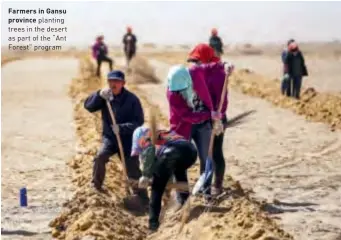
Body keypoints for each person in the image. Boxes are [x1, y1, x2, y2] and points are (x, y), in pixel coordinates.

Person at [84, 70, 148, 204]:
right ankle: (96, 187)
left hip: (128, 140)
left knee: (133, 169)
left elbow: (139, 121)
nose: (113, 84)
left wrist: (122, 127)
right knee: (100, 157)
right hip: (110, 138)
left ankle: (142, 198)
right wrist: (98, 95)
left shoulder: (132, 99)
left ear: (123, 83)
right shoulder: (105, 98)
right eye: (111, 81)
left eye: (117, 81)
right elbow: (88, 106)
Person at [187, 43, 233, 195]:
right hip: (202, 115)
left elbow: (222, 99)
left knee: (216, 152)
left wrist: (219, 117)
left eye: (198, 60)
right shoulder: (199, 70)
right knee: (205, 154)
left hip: (217, 117)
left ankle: (217, 185)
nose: (195, 63)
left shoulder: (219, 74)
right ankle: (204, 186)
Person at [131, 126, 197, 232]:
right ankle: (184, 203)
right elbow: (164, 168)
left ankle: (153, 226)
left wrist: (146, 175)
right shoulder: (164, 133)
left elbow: (149, 151)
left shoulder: (147, 136)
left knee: (156, 190)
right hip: (191, 152)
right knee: (179, 173)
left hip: (171, 154)